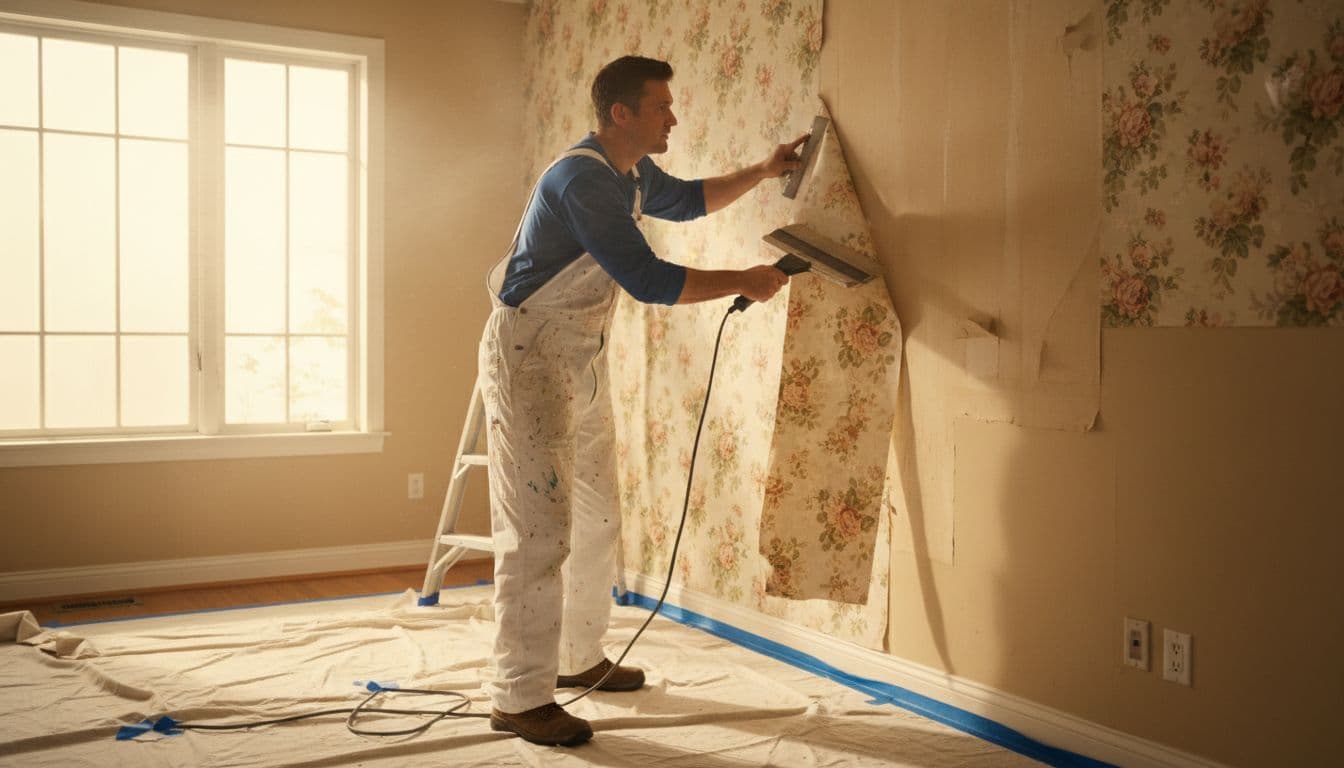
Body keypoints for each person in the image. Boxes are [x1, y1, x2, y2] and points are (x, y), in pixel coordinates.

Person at [479, 55, 805, 747]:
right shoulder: (581, 178)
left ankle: (577, 658)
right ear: (621, 114)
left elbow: (686, 201)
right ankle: (518, 695)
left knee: (598, 514)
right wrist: (743, 277)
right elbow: (649, 278)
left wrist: (764, 169)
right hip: (531, 356)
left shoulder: (627, 173)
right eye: (662, 107)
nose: (674, 118)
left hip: (579, 353)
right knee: (539, 529)